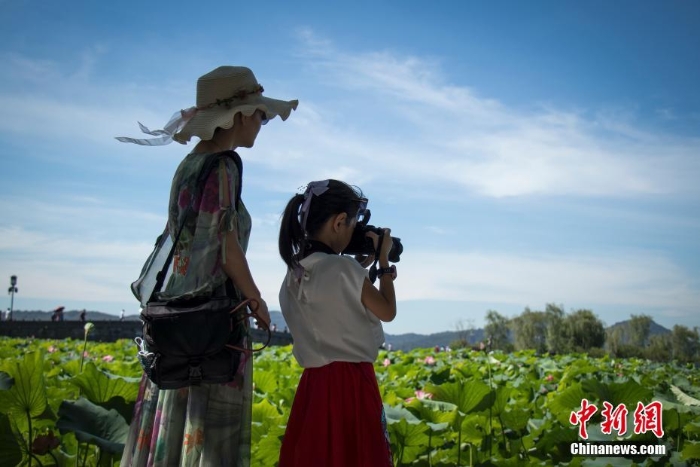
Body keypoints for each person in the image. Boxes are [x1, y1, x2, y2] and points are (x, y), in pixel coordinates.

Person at [117, 66, 297, 467]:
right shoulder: (223, 165)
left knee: (178, 414)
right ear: (237, 116)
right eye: (260, 114)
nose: (263, 122)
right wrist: (256, 299)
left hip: (174, 313)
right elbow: (227, 247)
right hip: (212, 316)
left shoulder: (188, 165)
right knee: (212, 432)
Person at [277, 179, 397, 467]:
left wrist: (357, 269)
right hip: (352, 384)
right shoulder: (345, 269)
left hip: (313, 386)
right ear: (339, 221)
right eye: (354, 224)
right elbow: (388, 311)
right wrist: (383, 265)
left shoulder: (293, 275)